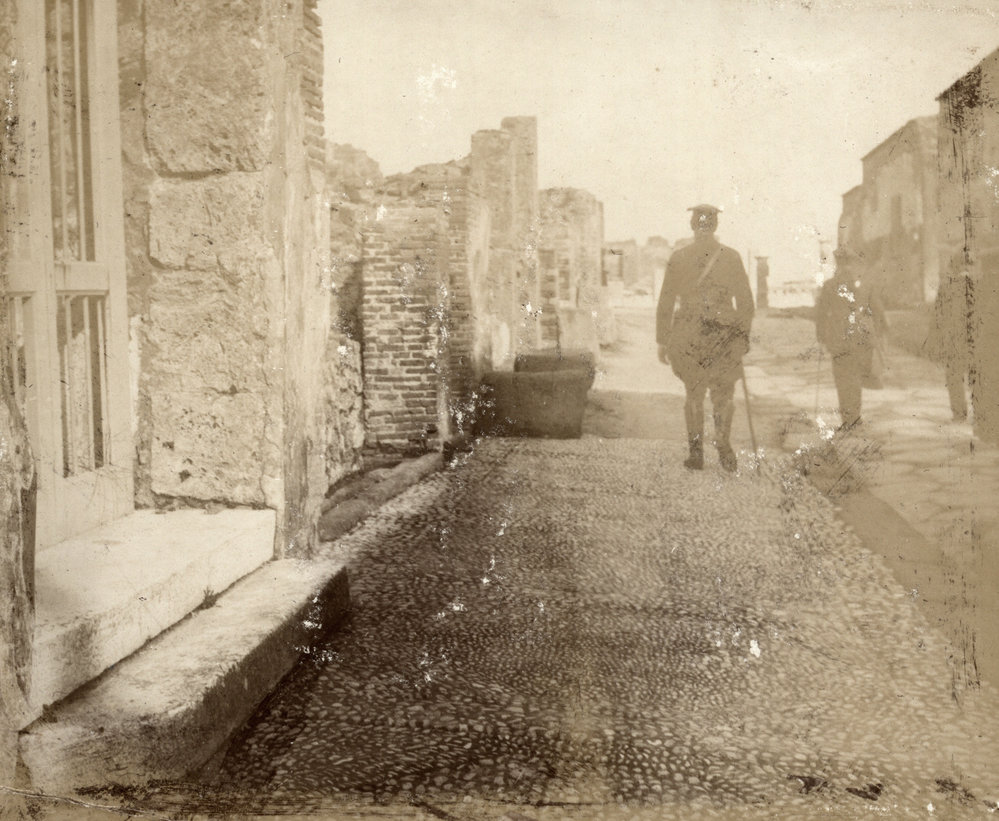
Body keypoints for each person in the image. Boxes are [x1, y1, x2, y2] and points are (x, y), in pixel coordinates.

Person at [656, 204, 754, 471]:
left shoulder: (679, 257)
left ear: (692, 225)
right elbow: (746, 302)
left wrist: (663, 340)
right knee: (723, 393)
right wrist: (741, 337)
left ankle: (696, 453)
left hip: (689, 335)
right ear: (715, 226)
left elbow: (665, 301)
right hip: (724, 335)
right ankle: (723, 442)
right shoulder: (731, 257)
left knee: (694, 393)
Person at [815, 246, 887, 431]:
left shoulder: (830, 285)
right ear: (853, 263)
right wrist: (878, 333)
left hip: (838, 339)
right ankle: (855, 418)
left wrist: (822, 337)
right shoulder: (865, 284)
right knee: (855, 378)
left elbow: (821, 314)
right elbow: (878, 310)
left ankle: (849, 419)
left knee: (842, 379)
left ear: (838, 263)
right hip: (861, 338)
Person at [931, 256, 976, 422]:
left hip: (953, 341)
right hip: (976, 340)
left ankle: (959, 413)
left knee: (954, 377)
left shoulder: (946, 287)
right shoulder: (982, 285)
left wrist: (936, 341)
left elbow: (937, 316)